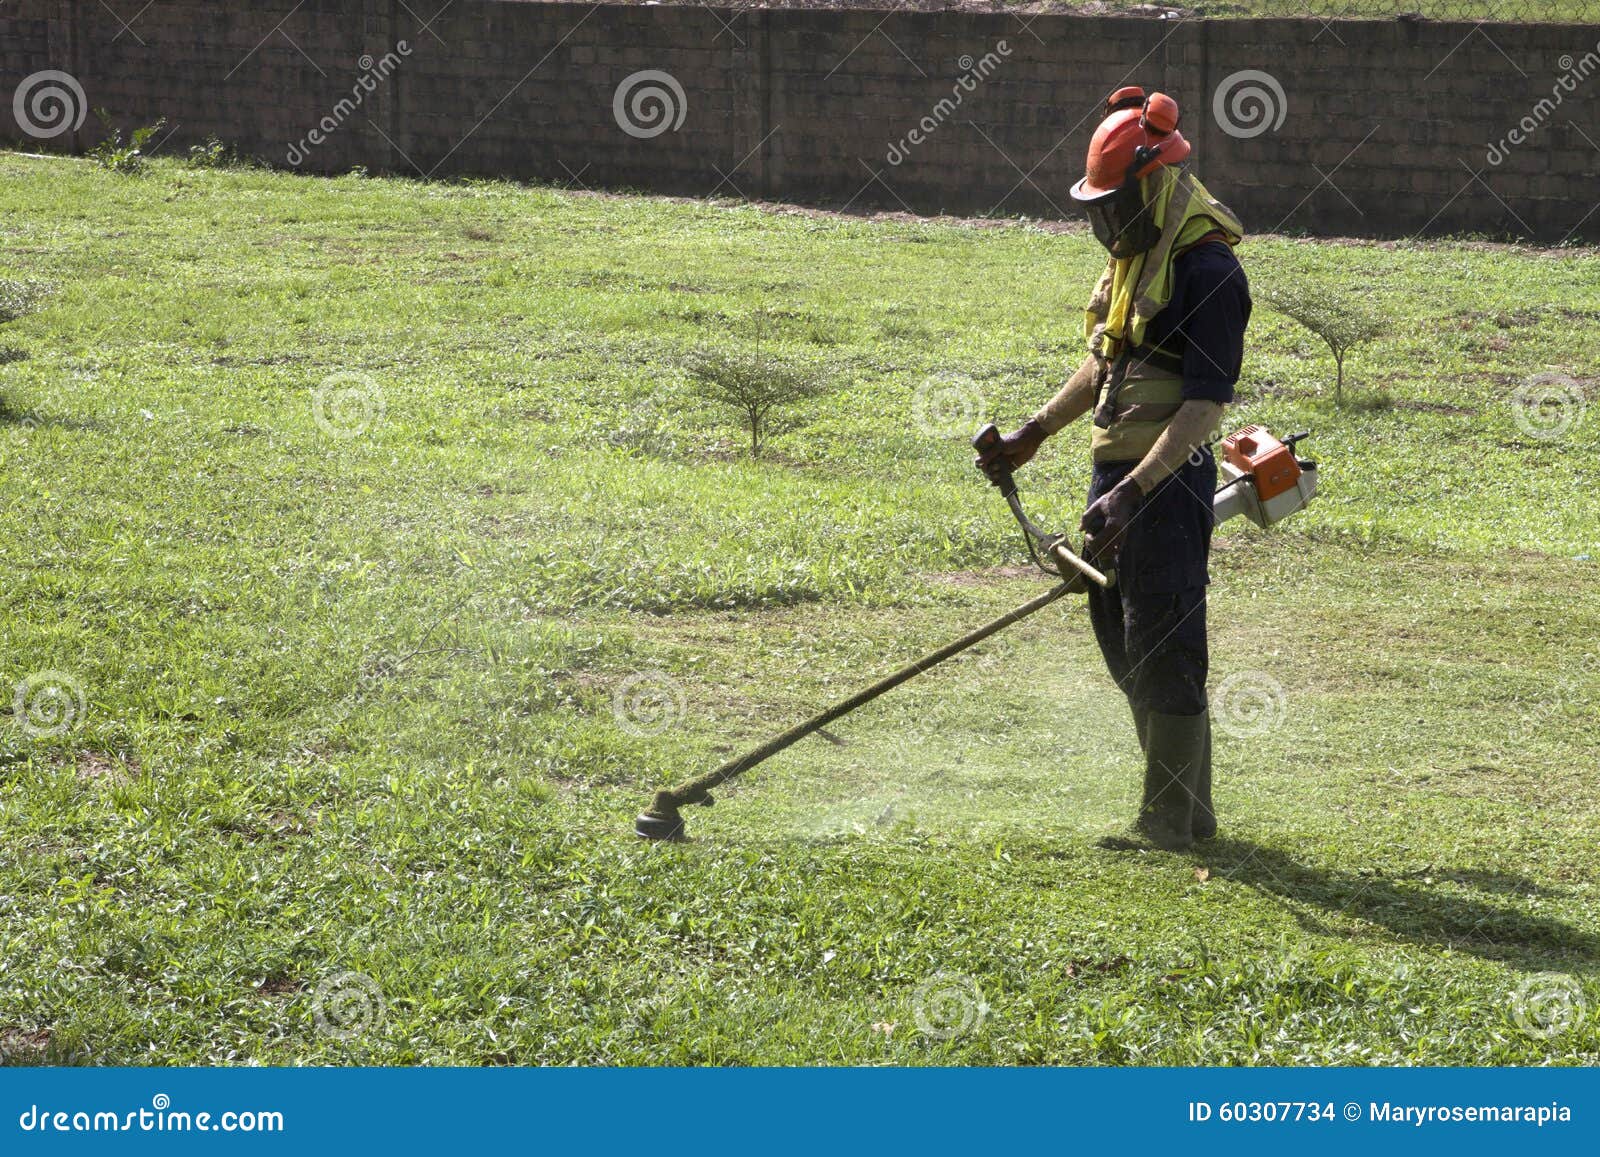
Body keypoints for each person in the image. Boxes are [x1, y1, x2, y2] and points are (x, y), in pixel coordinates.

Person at [978, 86, 1251, 851]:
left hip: (1166, 483)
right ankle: (1192, 812)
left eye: (1113, 203)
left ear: (1156, 182)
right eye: (1095, 206)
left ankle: (1166, 820)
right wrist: (1034, 432)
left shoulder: (1209, 273)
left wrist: (1137, 489)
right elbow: (1102, 365)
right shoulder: (1134, 265)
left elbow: (1203, 407)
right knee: (1124, 638)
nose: (1103, 220)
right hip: (1118, 485)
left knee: (1165, 639)